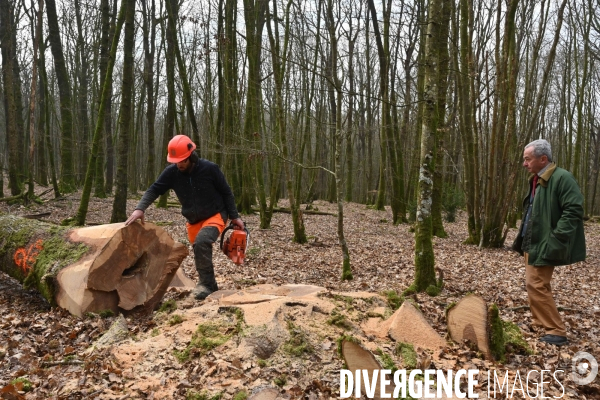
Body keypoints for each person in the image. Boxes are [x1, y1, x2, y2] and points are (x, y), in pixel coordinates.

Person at [125, 135, 244, 300]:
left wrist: (234, 216)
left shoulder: (210, 169)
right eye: (176, 161)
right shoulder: (171, 173)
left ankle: (206, 286)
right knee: (199, 250)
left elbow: (226, 192)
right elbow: (154, 189)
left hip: (215, 213)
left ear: (192, 156)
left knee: (203, 242)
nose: (179, 164)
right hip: (193, 219)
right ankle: (210, 284)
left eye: (183, 161)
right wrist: (140, 208)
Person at [512, 139, 586, 346]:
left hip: (546, 242)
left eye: (528, 159)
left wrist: (556, 237)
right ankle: (541, 324)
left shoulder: (562, 178)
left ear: (543, 159)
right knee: (533, 284)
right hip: (532, 241)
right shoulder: (538, 178)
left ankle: (556, 331)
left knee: (537, 284)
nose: (524, 164)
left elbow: (574, 210)